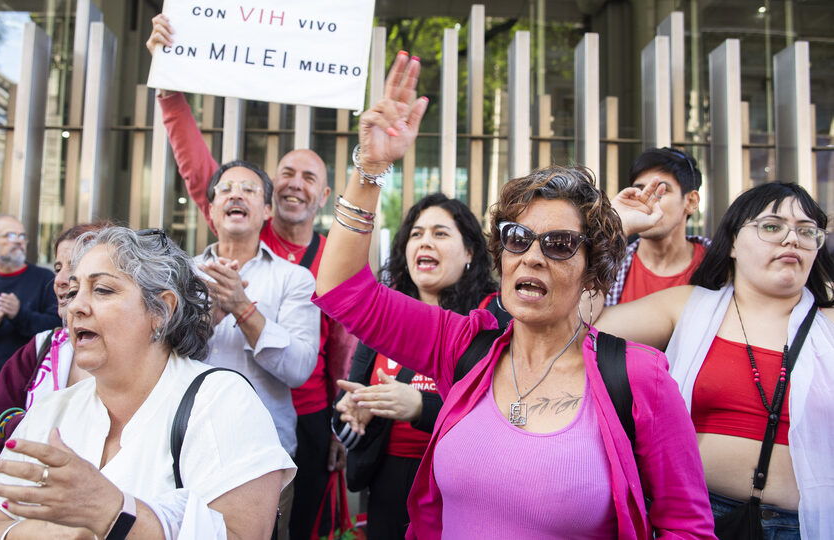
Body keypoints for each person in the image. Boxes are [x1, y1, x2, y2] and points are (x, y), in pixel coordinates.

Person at [313, 52, 714, 539]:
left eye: (561, 244)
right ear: (501, 257)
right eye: (517, 238)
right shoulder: (463, 345)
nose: (533, 256)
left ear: (594, 272)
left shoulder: (638, 377)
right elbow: (343, 291)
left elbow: (687, 527)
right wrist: (371, 169)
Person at [146, 16, 356, 539]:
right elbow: (197, 166)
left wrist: (339, 420)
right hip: (191, 431)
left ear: (321, 197)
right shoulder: (195, 258)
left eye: (310, 177)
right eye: (287, 172)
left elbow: (341, 349)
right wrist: (169, 84)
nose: (295, 184)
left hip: (296, 417)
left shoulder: (326, 262)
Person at [0, 226, 296, 538]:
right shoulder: (50, 411)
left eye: (102, 289)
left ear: (162, 311)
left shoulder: (221, 401)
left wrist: (113, 511)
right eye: (74, 290)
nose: (75, 306)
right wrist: (31, 533)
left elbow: (243, 533)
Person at [597, 181, 834, 538]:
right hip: (698, 519)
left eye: (806, 231)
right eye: (772, 226)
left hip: (806, 525)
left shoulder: (829, 326)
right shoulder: (685, 305)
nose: (792, 239)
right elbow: (581, 325)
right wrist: (618, 229)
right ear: (734, 242)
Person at [333, 193, 496, 539]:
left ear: (469, 251)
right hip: (387, 486)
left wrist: (421, 407)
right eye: (416, 233)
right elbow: (343, 428)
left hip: (458, 486)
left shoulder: (490, 318)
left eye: (440, 233)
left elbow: (500, 417)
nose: (425, 241)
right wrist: (354, 414)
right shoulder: (383, 318)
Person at [193, 159, 320, 538]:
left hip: (263, 458)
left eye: (249, 189)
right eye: (226, 189)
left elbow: (299, 369)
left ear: (266, 210)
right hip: (187, 446)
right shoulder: (180, 274)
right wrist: (207, 320)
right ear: (212, 208)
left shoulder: (294, 279)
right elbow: (155, 357)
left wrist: (242, 308)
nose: (236, 194)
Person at [0, 222, 107, 477]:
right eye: (57, 268)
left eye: (75, 266)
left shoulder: (137, 357)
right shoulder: (37, 350)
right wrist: (23, 476)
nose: (60, 280)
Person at [0, 215, 60, 494]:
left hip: (25, 391)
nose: (19, 242)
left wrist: (20, 315)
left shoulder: (43, 279)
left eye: (22, 237)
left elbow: (56, 329)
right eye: (11, 236)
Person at [605, 147, 709, 306]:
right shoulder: (607, 267)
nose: (647, 200)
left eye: (661, 191)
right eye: (639, 190)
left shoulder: (721, 266)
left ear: (691, 201)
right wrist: (615, 227)